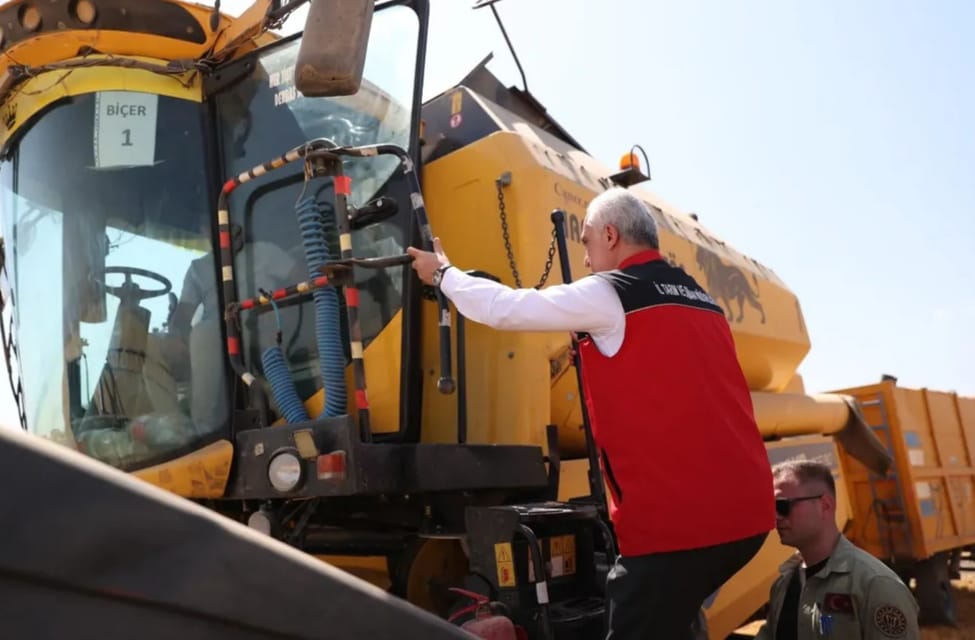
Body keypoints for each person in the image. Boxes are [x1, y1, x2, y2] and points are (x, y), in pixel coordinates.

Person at [406, 186, 776, 639]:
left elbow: (506, 310)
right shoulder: (702, 299)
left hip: (676, 532)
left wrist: (444, 275)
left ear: (611, 234)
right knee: (678, 616)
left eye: (586, 242)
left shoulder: (612, 293)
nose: (584, 258)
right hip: (747, 522)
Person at [755, 458, 919, 639]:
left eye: (783, 506)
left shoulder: (875, 585)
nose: (776, 517)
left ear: (825, 505)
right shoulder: (784, 585)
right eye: (771, 507)